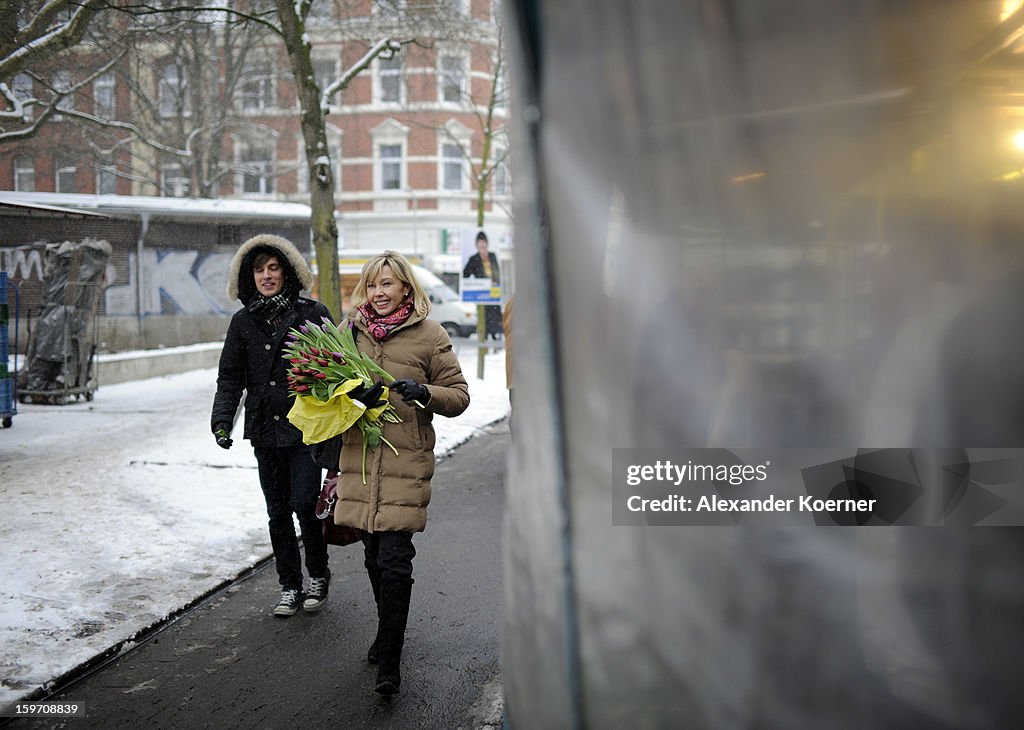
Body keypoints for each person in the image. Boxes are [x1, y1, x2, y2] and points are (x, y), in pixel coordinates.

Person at [337, 250, 470, 695]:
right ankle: (384, 630)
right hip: (359, 462)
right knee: (373, 558)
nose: (378, 293)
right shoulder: (347, 334)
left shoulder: (430, 334)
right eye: (372, 285)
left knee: (395, 562)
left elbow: (459, 396)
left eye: (388, 285)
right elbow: (323, 392)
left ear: (406, 289)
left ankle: (389, 661)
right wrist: (350, 396)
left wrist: (424, 393)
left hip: (403, 464)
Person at [210, 233, 332, 618]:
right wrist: (222, 420)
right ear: (250, 276)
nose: (266, 276)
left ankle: (317, 575)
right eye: (259, 269)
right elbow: (230, 377)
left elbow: (337, 366)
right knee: (277, 511)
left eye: (273, 268)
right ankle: (289, 585)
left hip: (305, 426)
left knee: (305, 503)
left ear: (287, 272)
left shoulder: (312, 314)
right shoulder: (242, 322)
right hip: (264, 429)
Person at [462, 230, 503, 339]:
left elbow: (497, 272)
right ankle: (484, 343)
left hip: (493, 293)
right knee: (484, 319)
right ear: (476, 245)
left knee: (495, 319)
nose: (482, 245)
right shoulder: (473, 259)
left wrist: (495, 281)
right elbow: (465, 273)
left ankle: (495, 341)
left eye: (484, 242)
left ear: (487, 243)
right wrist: (475, 283)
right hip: (481, 294)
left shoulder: (492, 256)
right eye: (480, 243)